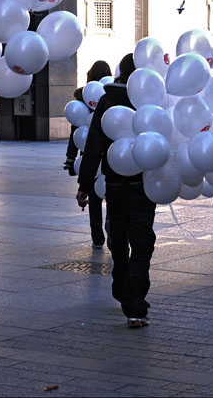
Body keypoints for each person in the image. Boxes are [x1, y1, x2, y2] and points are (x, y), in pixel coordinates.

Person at [77, 54, 156, 328]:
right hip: (143, 185)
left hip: (113, 184)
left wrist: (85, 184)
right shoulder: (148, 100)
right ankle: (134, 302)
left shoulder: (107, 100)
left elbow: (94, 144)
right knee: (142, 240)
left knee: (119, 237)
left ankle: (121, 287)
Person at [64, 60, 113, 248]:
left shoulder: (83, 99)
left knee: (93, 196)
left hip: (89, 154)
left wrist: (70, 159)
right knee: (109, 193)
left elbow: (75, 133)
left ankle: (97, 236)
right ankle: (110, 226)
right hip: (109, 154)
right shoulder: (111, 97)